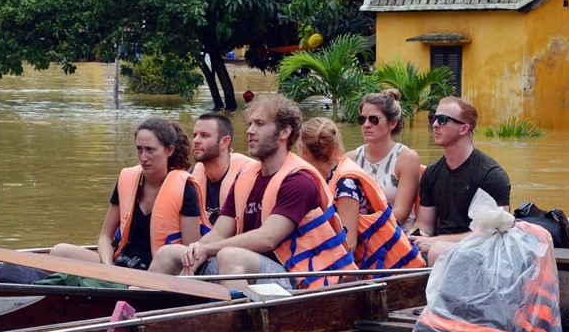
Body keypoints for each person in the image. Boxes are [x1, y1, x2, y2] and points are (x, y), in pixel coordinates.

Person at [150, 95, 355, 290]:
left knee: (231, 256)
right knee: (168, 254)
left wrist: (209, 250)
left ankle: (235, 324)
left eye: (260, 124)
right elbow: (220, 232)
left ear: (284, 132)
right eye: (249, 124)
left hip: (300, 280)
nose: (249, 131)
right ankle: (140, 318)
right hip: (252, 273)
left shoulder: (299, 180)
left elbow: (268, 238)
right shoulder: (246, 177)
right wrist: (197, 249)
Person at [51, 118, 208, 271]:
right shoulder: (127, 179)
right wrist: (108, 267)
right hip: (120, 265)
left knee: (167, 258)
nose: (143, 157)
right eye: (139, 149)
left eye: (150, 150)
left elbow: (188, 252)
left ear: (169, 151)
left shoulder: (185, 189)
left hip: (158, 271)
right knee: (60, 251)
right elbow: (105, 236)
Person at [299, 117, 424, 274]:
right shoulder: (330, 176)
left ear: (303, 149)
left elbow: (349, 243)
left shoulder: (345, 184)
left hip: (378, 268)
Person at [410, 96, 511, 264]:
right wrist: (413, 237)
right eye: (433, 118)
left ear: (464, 129)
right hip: (438, 248)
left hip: (481, 252)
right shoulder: (432, 173)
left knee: (437, 250)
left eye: (442, 120)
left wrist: (436, 242)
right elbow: (424, 223)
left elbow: (495, 232)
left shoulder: (492, 175)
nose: (435, 124)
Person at [344, 89, 421, 231]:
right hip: (358, 235)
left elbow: (401, 215)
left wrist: (356, 222)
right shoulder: (350, 159)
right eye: (362, 119)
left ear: (392, 124)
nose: (366, 124)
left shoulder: (406, 159)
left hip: (396, 237)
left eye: (374, 119)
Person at [189, 113, 255, 224]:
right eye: (195, 135)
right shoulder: (192, 176)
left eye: (204, 135)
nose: (196, 140)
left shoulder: (248, 176)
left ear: (224, 142)